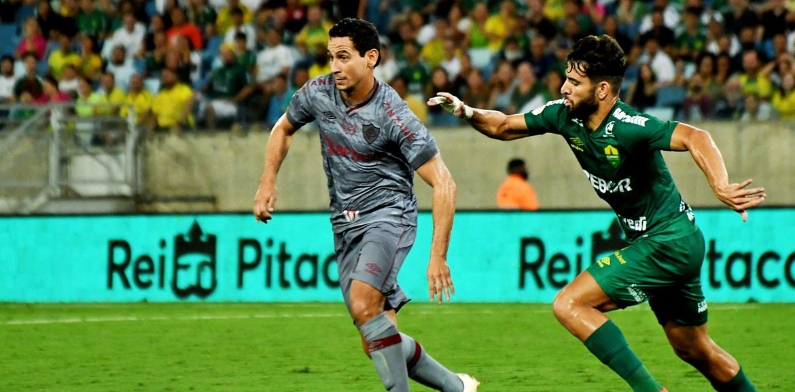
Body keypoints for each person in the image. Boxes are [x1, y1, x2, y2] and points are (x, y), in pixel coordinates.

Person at [429, 34, 763, 392]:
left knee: (569, 304)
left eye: (574, 82)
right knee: (694, 348)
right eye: (566, 78)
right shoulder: (563, 115)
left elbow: (697, 137)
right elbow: (502, 125)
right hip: (670, 242)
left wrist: (721, 184)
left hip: (667, 241)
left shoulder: (627, 127)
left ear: (602, 90)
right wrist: (465, 110)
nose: (564, 87)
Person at [252, 18, 479, 392]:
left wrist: (437, 255)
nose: (335, 67)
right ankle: (457, 386)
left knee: (362, 304)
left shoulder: (394, 114)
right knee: (374, 337)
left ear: (371, 57)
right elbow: (283, 128)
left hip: (389, 217)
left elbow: (444, 182)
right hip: (345, 225)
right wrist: (267, 182)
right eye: (330, 57)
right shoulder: (318, 92)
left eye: (344, 57)